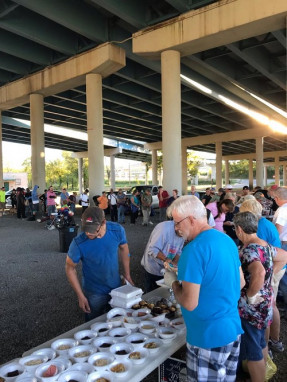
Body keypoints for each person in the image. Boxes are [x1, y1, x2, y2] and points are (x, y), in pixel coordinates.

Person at [164, 196, 244, 382]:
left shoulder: (193, 250)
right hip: (232, 330)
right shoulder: (226, 240)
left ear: (191, 219)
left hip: (207, 337)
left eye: (177, 223)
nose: (176, 228)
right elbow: (240, 283)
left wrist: (174, 284)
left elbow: (189, 303)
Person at [233, 212, 287, 382]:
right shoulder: (264, 244)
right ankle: (262, 375)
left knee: (252, 348)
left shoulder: (250, 249)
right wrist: (268, 282)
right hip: (265, 302)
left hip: (252, 308)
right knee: (260, 342)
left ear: (239, 229)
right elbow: (284, 256)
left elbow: (259, 271)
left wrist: (250, 295)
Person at [65, 207, 134, 321]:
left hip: (116, 287)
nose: (88, 233)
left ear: (103, 223)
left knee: (119, 321)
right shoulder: (78, 242)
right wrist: (80, 295)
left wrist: (127, 274)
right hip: (93, 292)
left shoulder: (117, 230)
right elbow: (69, 268)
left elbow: (124, 248)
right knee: (94, 324)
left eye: (92, 230)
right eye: (85, 229)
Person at [141, 221, 185, 293]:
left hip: (165, 269)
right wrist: (166, 259)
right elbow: (152, 249)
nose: (183, 238)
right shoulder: (164, 229)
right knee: (151, 293)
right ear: (177, 227)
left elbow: (178, 252)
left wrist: (174, 265)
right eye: (182, 234)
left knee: (164, 294)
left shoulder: (184, 232)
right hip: (152, 267)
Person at [272, 187, 287, 323]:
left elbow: (278, 230)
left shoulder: (282, 210)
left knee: (283, 277)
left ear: (277, 198)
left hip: (283, 244)